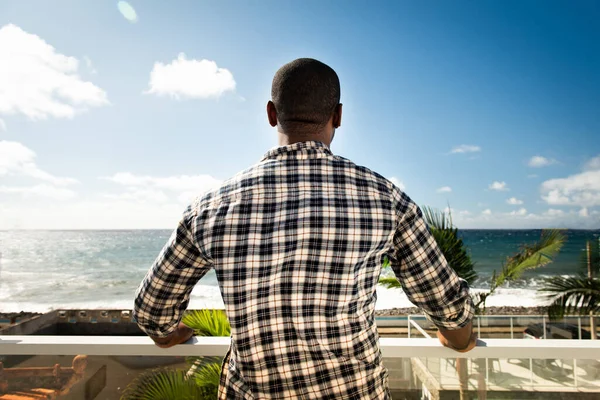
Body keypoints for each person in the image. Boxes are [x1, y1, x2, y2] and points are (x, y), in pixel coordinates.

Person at [133, 58, 476, 399]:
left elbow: (151, 311)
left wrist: (169, 334)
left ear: (271, 114)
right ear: (338, 116)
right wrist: (456, 336)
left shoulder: (210, 207)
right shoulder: (385, 198)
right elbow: (448, 307)